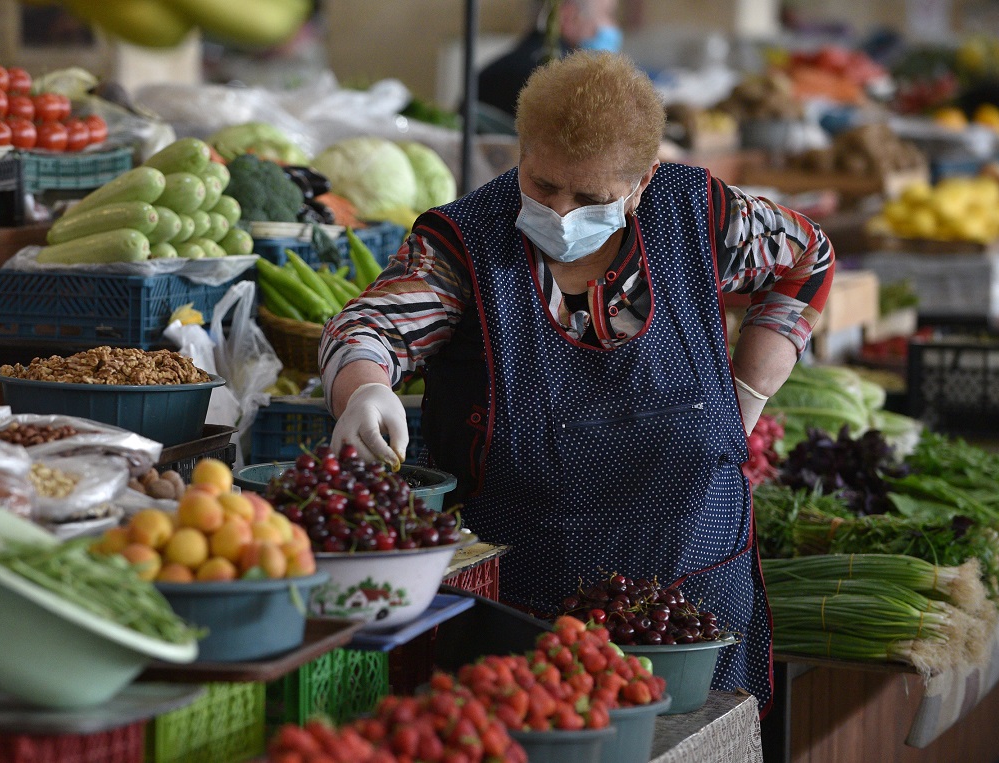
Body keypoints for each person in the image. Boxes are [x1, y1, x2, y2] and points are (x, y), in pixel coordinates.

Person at [319, 51, 834, 715]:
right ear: (523, 150)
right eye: (543, 184)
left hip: (701, 597)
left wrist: (750, 388)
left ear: (644, 178)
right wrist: (363, 387)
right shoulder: (466, 244)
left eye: (590, 198)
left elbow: (806, 256)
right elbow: (367, 330)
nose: (560, 212)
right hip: (532, 621)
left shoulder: (698, 215)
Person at [477, 0, 622, 119]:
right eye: (608, 14)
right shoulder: (570, 85)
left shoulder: (491, 73)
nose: (612, 26)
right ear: (569, 17)